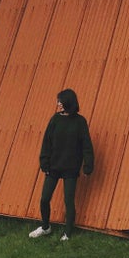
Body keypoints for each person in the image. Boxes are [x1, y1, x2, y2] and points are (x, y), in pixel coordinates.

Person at [29, 88, 94, 241]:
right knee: (44, 198)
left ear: (68, 103)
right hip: (53, 167)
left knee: (68, 201)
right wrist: (44, 163)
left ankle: (68, 233)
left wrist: (88, 166)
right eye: (57, 101)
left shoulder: (80, 122)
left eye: (60, 101)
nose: (58, 104)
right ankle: (45, 227)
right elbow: (47, 142)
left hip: (71, 169)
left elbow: (87, 145)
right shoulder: (55, 119)